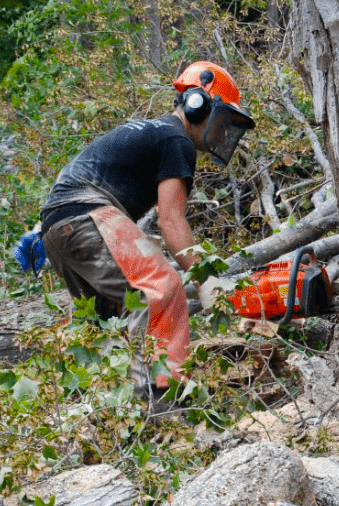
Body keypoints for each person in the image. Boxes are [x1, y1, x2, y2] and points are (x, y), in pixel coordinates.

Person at [34, 61, 255, 389]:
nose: (222, 132)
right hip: (87, 215)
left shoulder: (154, 132)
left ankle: (112, 410)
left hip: (57, 229)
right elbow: (170, 220)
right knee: (162, 289)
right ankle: (163, 399)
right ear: (197, 105)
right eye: (221, 120)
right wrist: (205, 278)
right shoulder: (175, 140)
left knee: (107, 322)